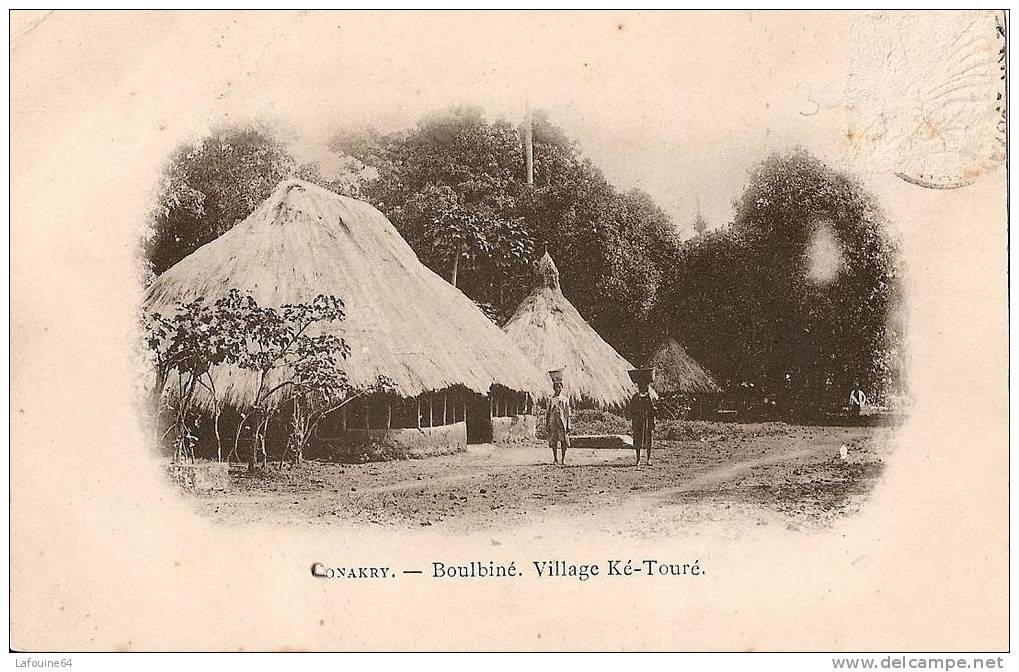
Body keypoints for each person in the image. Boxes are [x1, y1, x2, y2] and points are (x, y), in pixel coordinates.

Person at [628, 369, 656, 466]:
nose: (642, 387)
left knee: (649, 440)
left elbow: (654, 410)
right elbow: (631, 409)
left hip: (648, 420)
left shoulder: (650, 397)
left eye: (644, 385)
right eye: (641, 385)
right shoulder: (635, 397)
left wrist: (653, 421)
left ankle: (648, 459)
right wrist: (637, 414)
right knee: (638, 440)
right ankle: (638, 459)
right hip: (638, 421)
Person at [546, 372, 571, 465]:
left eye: (560, 387)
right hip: (553, 422)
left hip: (562, 423)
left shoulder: (565, 399)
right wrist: (547, 424)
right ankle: (555, 459)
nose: (558, 389)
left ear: (562, 388)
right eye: (556, 387)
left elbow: (568, 414)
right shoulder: (551, 399)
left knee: (564, 441)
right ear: (554, 388)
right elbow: (548, 413)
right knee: (554, 441)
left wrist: (568, 425)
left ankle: (563, 459)